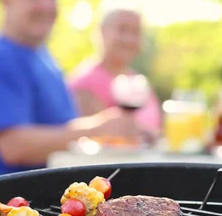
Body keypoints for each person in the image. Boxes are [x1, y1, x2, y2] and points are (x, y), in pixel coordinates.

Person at [0, 0, 142, 179]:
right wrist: (98, 127)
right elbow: (14, 147)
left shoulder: (42, 58)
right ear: (6, 2)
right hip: (14, 200)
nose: (46, 5)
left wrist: (107, 127)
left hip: (54, 186)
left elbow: (63, 129)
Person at [68, 7, 161, 136]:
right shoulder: (85, 83)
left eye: (136, 32)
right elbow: (100, 138)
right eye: (122, 29)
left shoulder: (137, 81)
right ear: (102, 32)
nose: (129, 39)